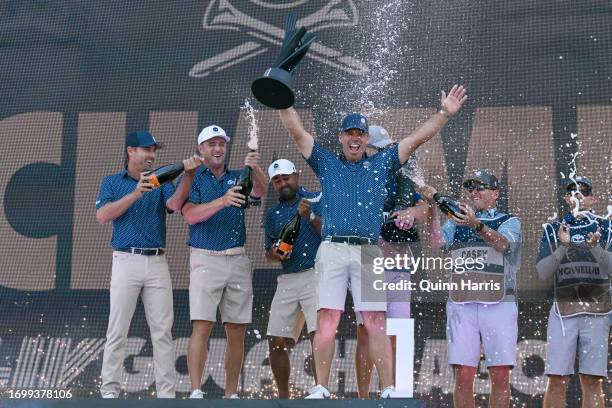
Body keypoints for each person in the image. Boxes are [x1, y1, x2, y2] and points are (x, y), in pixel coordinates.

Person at [278, 84, 467, 399]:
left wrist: (445, 114)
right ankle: (320, 387)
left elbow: (417, 138)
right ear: (341, 137)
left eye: (360, 134)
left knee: (376, 320)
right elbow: (298, 134)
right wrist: (284, 104)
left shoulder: (382, 164)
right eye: (349, 133)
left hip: (368, 250)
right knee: (327, 318)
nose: (354, 138)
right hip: (334, 248)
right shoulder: (327, 163)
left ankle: (389, 388)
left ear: (366, 139)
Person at [96, 130, 203, 398]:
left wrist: (188, 175)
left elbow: (175, 204)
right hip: (125, 260)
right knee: (117, 330)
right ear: (131, 151)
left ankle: (166, 394)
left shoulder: (161, 181)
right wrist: (134, 193)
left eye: (155, 151)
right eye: (147, 149)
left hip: (157, 262)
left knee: (162, 332)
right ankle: (109, 392)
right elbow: (102, 215)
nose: (152, 155)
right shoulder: (111, 182)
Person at [182, 125, 268, 399]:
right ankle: (196, 391)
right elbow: (190, 215)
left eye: (222, 144)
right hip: (205, 257)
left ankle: (231, 394)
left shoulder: (236, 177)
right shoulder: (193, 179)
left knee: (237, 329)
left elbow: (261, 192)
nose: (218, 149)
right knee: (202, 325)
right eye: (212, 144)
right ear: (201, 149)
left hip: (237, 258)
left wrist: (255, 168)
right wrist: (222, 200)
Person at [425, 170, 521, 408]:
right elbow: (436, 242)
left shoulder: (508, 221)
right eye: (471, 188)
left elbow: (504, 244)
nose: (474, 192)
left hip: (499, 304)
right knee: (462, 376)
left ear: (495, 194)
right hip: (461, 304)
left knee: (499, 375)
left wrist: (477, 225)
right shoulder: (455, 221)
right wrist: (431, 211)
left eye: (481, 187)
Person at [355, 125, 431, 397]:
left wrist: (413, 211)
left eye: (387, 149)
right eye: (379, 149)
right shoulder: (357, 177)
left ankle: (397, 393)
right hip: (368, 267)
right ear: (367, 150)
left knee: (398, 332)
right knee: (366, 333)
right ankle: (363, 398)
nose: (385, 154)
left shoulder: (403, 177)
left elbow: (425, 206)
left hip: (398, 268)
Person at [536, 176, 610, 408]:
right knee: (557, 379)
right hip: (562, 312)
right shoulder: (553, 228)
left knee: (591, 379)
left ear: (592, 198)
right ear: (567, 199)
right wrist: (563, 247)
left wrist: (595, 248)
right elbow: (542, 273)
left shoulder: (607, 226)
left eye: (584, 192)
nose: (578, 196)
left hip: (597, 312)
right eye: (573, 192)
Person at [264, 159, 322, 398]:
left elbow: (330, 233)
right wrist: (276, 254)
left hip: (317, 273)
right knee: (275, 339)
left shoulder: (316, 199)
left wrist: (310, 216)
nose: (282, 183)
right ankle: (284, 398)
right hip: (287, 277)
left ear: (297, 175)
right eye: (277, 180)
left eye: (286, 177)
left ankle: (322, 390)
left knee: (319, 334)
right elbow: (268, 253)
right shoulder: (273, 213)